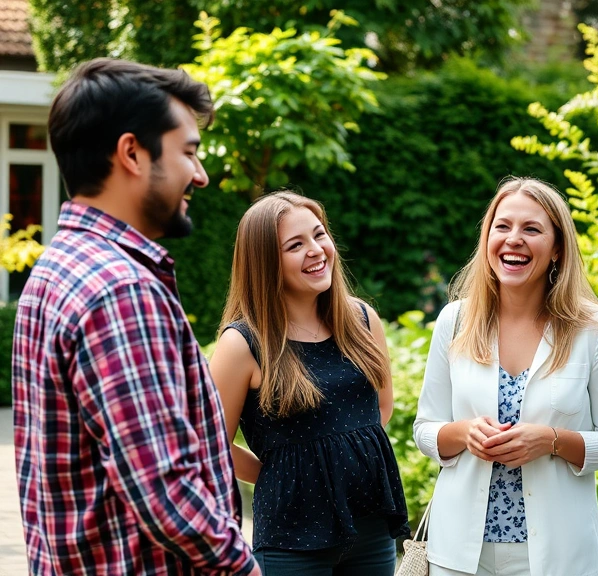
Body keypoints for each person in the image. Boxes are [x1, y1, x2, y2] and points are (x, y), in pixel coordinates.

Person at [12, 58, 258, 574]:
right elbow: (166, 491)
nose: (201, 175)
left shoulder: (57, 267)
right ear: (131, 153)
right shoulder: (119, 289)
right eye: (188, 152)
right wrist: (243, 567)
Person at [413, 177, 598, 576]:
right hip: (460, 554)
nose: (513, 239)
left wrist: (551, 441)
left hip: (559, 555)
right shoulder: (455, 321)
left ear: (556, 250)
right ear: (487, 240)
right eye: (502, 226)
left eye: (531, 229)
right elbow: (425, 428)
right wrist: (463, 433)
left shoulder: (595, 329)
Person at [209, 191, 408, 575]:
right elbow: (210, 443)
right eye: (295, 245)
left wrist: (343, 466)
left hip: (369, 524)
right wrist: (279, 476)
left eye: (319, 235)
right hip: (292, 535)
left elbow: (381, 407)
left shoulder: (363, 320)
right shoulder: (242, 343)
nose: (316, 250)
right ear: (265, 262)